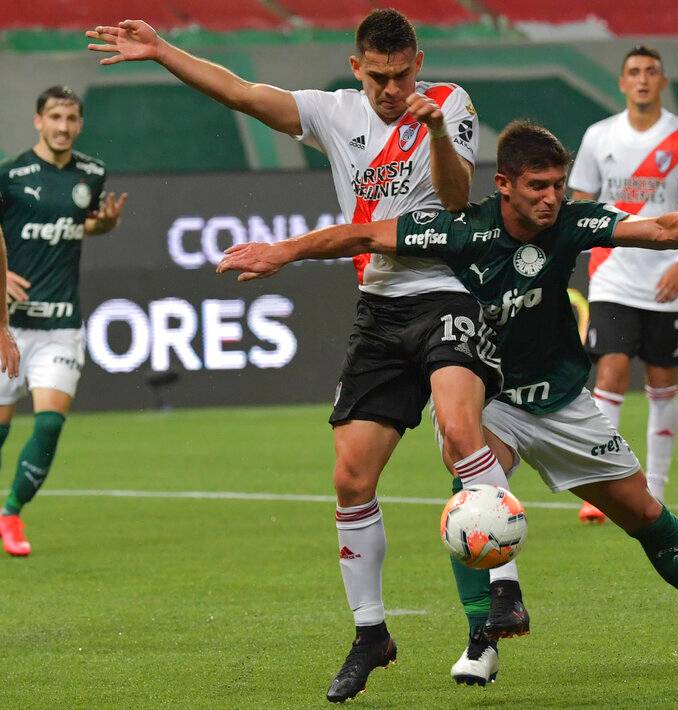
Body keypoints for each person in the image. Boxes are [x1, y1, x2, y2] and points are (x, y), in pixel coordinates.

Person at [218, 120, 678, 677]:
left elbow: (657, 230)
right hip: (493, 398)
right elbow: (367, 233)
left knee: (645, 514)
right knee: (466, 471)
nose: (551, 198)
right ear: (503, 184)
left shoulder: (571, 224)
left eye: (556, 185)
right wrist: (285, 250)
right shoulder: (462, 230)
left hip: (562, 399)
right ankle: (483, 639)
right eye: (537, 187)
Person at [87, 10, 527, 700]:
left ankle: (503, 586)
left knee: (459, 427)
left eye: (402, 74)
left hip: (447, 291)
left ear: (420, 62)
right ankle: (370, 632)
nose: (390, 89)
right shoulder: (333, 112)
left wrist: (434, 127)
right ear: (356, 69)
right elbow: (239, 92)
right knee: (351, 477)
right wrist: (161, 49)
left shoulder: (449, 104)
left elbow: (453, 197)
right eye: (378, 77)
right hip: (381, 312)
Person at [569, 45, 678, 522]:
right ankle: (607, 491)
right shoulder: (598, 136)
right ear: (622, 83)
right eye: (634, 72)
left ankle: (654, 490)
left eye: (652, 71)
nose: (643, 79)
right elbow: (579, 202)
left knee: (661, 382)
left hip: (667, 279)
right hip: (613, 275)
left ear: (663, 81)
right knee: (609, 372)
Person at [0, 86, 127, 557]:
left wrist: (106, 226)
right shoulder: (10, 175)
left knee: (50, 424)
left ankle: (11, 513)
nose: (63, 127)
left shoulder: (91, 173)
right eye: (55, 117)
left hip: (61, 323)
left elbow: (81, 222)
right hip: (7, 325)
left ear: (80, 124)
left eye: (71, 118)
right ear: (38, 120)